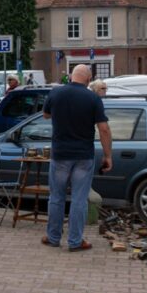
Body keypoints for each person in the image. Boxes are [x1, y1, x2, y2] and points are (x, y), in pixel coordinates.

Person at [41, 64, 111, 252]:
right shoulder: (93, 98)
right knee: (79, 199)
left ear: (71, 76)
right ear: (88, 80)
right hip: (83, 156)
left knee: (56, 197)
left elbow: (45, 115)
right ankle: (75, 240)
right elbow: (103, 129)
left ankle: (53, 237)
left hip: (60, 154)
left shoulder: (55, 93)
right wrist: (107, 156)